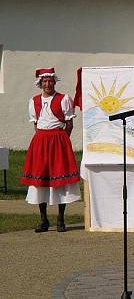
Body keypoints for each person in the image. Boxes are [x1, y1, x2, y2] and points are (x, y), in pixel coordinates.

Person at [21, 67, 81, 233]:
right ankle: (43, 219)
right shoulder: (34, 101)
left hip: (58, 140)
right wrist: (41, 139)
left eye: (50, 81)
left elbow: (69, 123)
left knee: (60, 179)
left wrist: (62, 141)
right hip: (41, 140)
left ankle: (61, 219)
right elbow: (35, 123)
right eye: (44, 81)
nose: (47, 84)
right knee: (40, 179)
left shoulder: (64, 99)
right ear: (40, 84)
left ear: (54, 82)